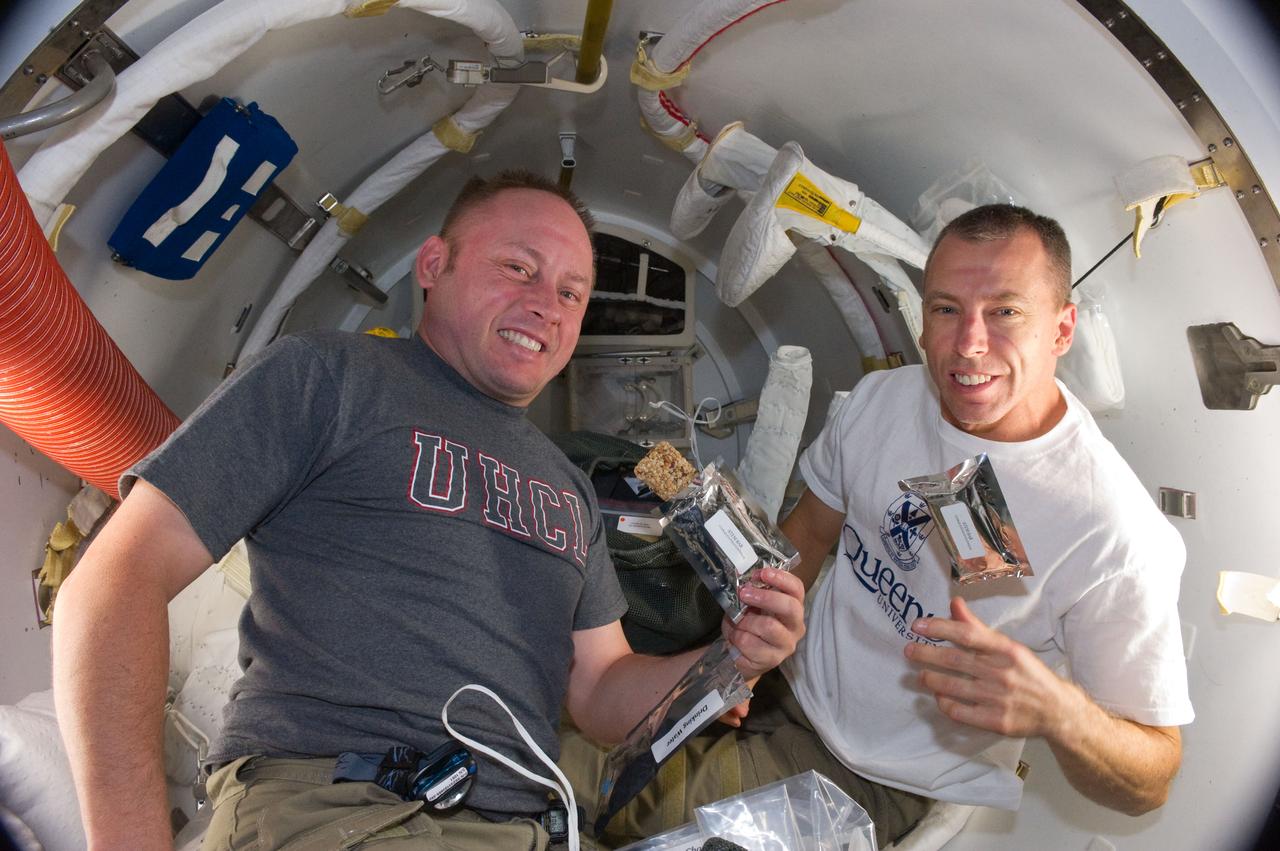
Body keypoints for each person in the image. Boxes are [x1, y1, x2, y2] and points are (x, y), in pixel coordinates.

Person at [51, 170, 807, 851]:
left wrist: (730, 659)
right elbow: (116, 581)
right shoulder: (328, 376)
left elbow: (603, 693)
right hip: (341, 807)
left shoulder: (568, 485)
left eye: (573, 293)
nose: (546, 304)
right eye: (519, 268)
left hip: (521, 830)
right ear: (434, 267)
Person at [568, 204, 1192, 849]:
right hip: (779, 683)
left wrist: (1060, 713)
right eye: (946, 309)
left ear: (1062, 329)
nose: (970, 343)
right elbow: (807, 535)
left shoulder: (1112, 532)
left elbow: (1152, 781)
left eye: (1006, 311)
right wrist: (744, 654)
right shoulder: (884, 401)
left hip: (865, 775)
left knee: (559, 777)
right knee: (549, 699)